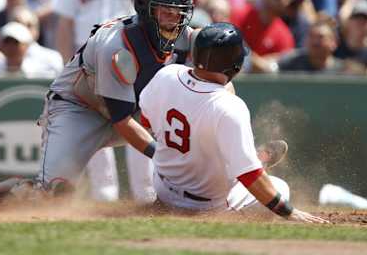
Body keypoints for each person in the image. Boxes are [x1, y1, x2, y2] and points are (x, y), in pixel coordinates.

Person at [0, 0, 195, 212]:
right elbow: (122, 122)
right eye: (165, 12)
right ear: (145, 9)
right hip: (78, 108)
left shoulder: (185, 37)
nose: (173, 21)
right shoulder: (117, 45)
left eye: (179, 13)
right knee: (53, 194)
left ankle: (190, 197)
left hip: (127, 108)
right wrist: (164, 156)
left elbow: (217, 58)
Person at [138, 22, 328, 223]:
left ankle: (237, 158)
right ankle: (247, 159)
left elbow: (146, 121)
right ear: (236, 64)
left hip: (164, 189)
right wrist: (289, 212)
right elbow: (250, 177)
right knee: (280, 187)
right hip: (205, 204)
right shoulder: (230, 107)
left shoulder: (166, 74)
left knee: (202, 147)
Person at [53, 0, 153, 202]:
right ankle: (103, 197)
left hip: (133, 61)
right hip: (89, 63)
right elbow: (65, 24)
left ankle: (146, 194)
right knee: (95, 127)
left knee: (138, 123)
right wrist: (67, 66)